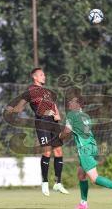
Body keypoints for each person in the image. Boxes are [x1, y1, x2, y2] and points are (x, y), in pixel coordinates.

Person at [6, 68, 69, 196]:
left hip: (53, 122)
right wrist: (12, 110)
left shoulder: (47, 91)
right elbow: (21, 106)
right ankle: (45, 182)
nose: (44, 76)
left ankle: (58, 183)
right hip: (42, 123)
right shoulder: (31, 90)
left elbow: (53, 104)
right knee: (47, 151)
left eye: (44, 74)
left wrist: (57, 114)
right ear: (34, 77)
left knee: (58, 151)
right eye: (41, 75)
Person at [59, 95, 112, 209]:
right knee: (81, 175)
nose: (69, 103)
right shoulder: (85, 116)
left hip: (84, 149)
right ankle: (83, 203)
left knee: (94, 178)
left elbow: (67, 131)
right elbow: (84, 131)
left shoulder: (72, 115)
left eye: (72, 101)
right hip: (92, 146)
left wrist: (59, 137)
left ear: (78, 105)